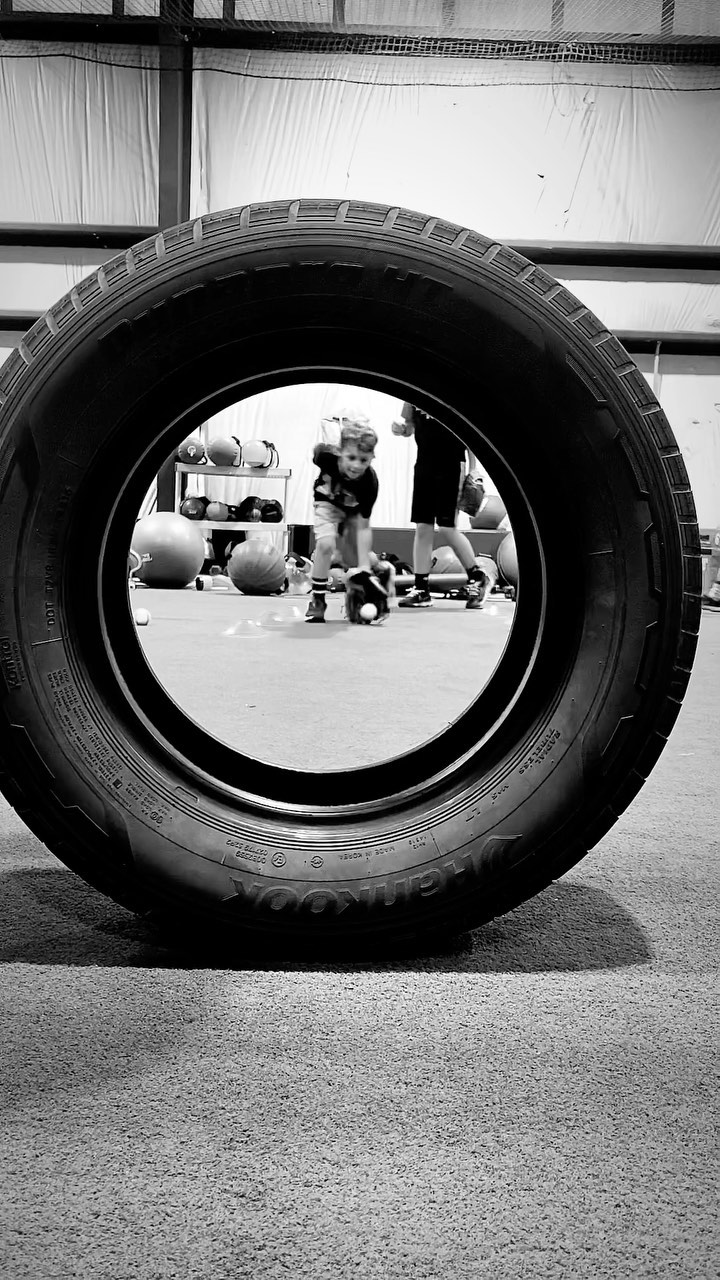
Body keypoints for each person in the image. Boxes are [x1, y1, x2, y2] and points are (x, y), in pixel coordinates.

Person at [392, 402, 491, 609]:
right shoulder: (412, 395)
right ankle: (421, 589)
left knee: (447, 527)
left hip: (452, 464)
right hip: (424, 465)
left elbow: (469, 432)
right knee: (422, 526)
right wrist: (402, 431)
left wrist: (474, 470)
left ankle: (477, 576)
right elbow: (409, 427)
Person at [306, 412, 381, 623]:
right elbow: (317, 453)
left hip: (352, 516)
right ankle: (318, 599)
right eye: (351, 458)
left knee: (358, 560)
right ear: (340, 452)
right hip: (327, 505)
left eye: (363, 460)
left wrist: (364, 566)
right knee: (326, 545)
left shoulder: (370, 484)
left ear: (372, 458)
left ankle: (357, 598)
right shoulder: (325, 457)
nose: (356, 466)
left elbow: (364, 526)